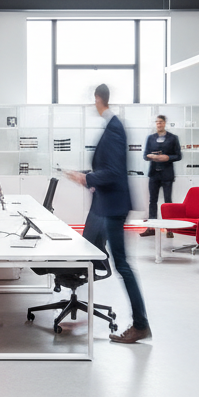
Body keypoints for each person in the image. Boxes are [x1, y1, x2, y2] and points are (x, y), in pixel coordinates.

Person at [66, 84, 150, 344]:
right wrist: (85, 176)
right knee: (116, 261)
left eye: (93, 100)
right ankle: (140, 323)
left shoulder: (113, 128)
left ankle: (140, 324)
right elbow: (109, 168)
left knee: (122, 264)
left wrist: (86, 177)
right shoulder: (112, 126)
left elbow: (113, 172)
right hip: (107, 204)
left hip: (113, 206)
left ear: (98, 99)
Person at [139, 114, 181, 237]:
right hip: (154, 174)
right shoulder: (150, 138)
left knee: (168, 202)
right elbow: (145, 155)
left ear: (165, 123)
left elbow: (178, 155)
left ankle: (170, 229)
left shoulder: (173, 138)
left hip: (167, 174)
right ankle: (151, 228)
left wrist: (167, 157)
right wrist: (151, 156)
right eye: (157, 122)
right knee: (152, 201)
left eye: (161, 122)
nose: (159, 124)